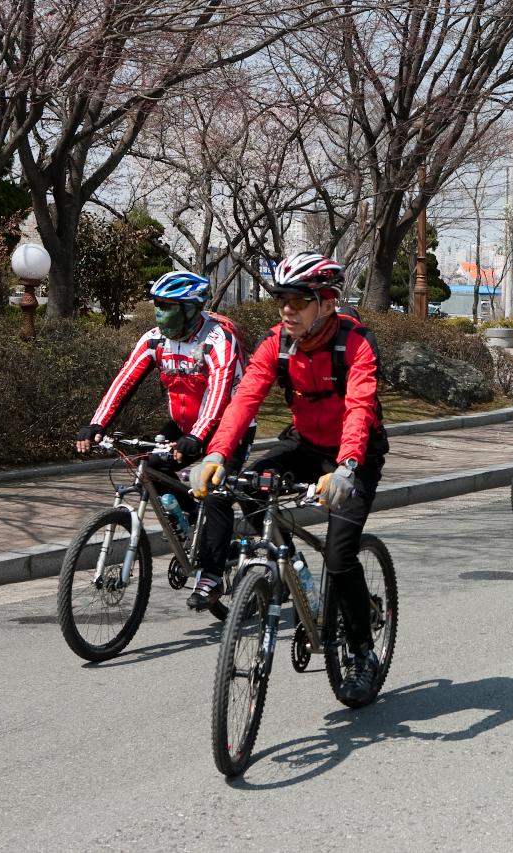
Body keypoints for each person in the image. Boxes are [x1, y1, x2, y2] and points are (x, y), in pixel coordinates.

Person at [192, 251, 390, 707]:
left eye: (298, 300)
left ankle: (362, 652)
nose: (286, 309)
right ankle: (286, 569)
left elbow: (360, 407)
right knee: (245, 484)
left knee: (340, 558)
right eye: (281, 298)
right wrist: (218, 453)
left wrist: (347, 468)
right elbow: (245, 399)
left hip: (353, 456)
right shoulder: (276, 343)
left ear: (325, 303)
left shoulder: (355, 342)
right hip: (304, 444)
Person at [76, 271, 249, 517]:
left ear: (190, 309)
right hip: (185, 426)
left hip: (228, 428)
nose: (159, 313)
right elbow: (124, 382)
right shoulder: (154, 340)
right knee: (148, 469)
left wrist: (198, 437)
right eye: (158, 305)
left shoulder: (218, 340)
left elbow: (219, 395)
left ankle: (214, 529)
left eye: (168, 306)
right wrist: (96, 424)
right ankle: (192, 520)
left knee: (216, 498)